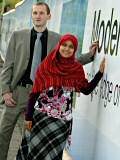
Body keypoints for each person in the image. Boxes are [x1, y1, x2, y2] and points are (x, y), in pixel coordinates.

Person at [0, 2, 98, 160]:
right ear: (32, 16)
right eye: (35, 13)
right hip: (17, 93)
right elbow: (8, 66)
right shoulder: (18, 36)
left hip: (41, 97)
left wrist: (90, 56)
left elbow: (69, 63)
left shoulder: (57, 40)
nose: (37, 16)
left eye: (41, 13)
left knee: (30, 139)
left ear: (48, 16)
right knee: (3, 134)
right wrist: (5, 91)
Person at [16, 34, 105, 160]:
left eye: (71, 47)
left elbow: (86, 89)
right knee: (33, 153)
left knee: (52, 156)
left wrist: (99, 75)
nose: (67, 49)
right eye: (64, 45)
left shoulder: (76, 69)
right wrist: (28, 117)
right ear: (59, 46)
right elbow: (34, 93)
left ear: (74, 50)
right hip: (40, 119)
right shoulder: (47, 65)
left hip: (61, 123)